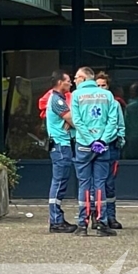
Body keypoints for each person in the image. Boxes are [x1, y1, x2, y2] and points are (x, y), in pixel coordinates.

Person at [69, 67, 119, 237]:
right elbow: (113, 121)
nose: (74, 81)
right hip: (103, 146)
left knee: (84, 183)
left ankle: (82, 224)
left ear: (83, 78)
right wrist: (102, 141)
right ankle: (101, 223)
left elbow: (77, 121)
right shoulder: (107, 95)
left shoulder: (76, 95)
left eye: (76, 78)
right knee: (100, 184)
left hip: (84, 145)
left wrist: (90, 141)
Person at [45, 70, 77, 234]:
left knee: (60, 182)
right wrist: (72, 122)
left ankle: (57, 218)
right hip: (61, 145)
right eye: (68, 81)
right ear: (60, 82)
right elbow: (72, 119)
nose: (70, 83)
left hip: (60, 145)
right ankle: (56, 220)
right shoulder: (57, 100)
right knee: (59, 182)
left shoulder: (58, 98)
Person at [95, 72, 125, 230]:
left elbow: (119, 125)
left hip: (111, 147)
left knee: (109, 184)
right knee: (95, 183)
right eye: (97, 85)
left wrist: (120, 140)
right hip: (92, 146)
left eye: (103, 85)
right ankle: (98, 216)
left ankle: (111, 216)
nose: (100, 88)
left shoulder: (114, 103)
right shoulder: (90, 104)